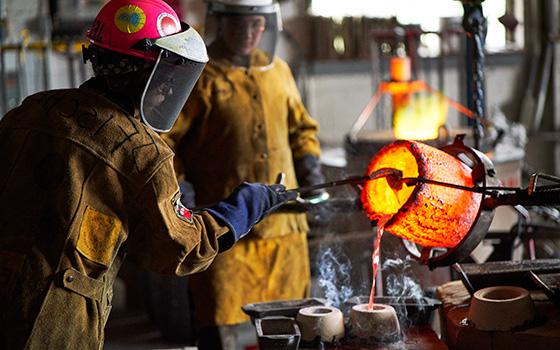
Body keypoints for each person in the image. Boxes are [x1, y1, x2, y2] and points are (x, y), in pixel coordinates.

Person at [0, 0, 297, 349]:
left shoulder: (32, 110)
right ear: (142, 73)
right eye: (167, 75)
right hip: (52, 321)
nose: (171, 89)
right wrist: (244, 207)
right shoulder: (141, 152)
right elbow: (180, 249)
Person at [163, 0, 328, 348]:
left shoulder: (279, 70)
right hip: (226, 231)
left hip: (286, 231)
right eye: (240, 25)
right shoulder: (200, 76)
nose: (249, 33)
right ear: (221, 24)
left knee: (291, 325)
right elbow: (167, 140)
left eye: (257, 25)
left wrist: (310, 167)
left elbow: (302, 130)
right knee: (225, 324)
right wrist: (180, 189)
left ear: (267, 26)